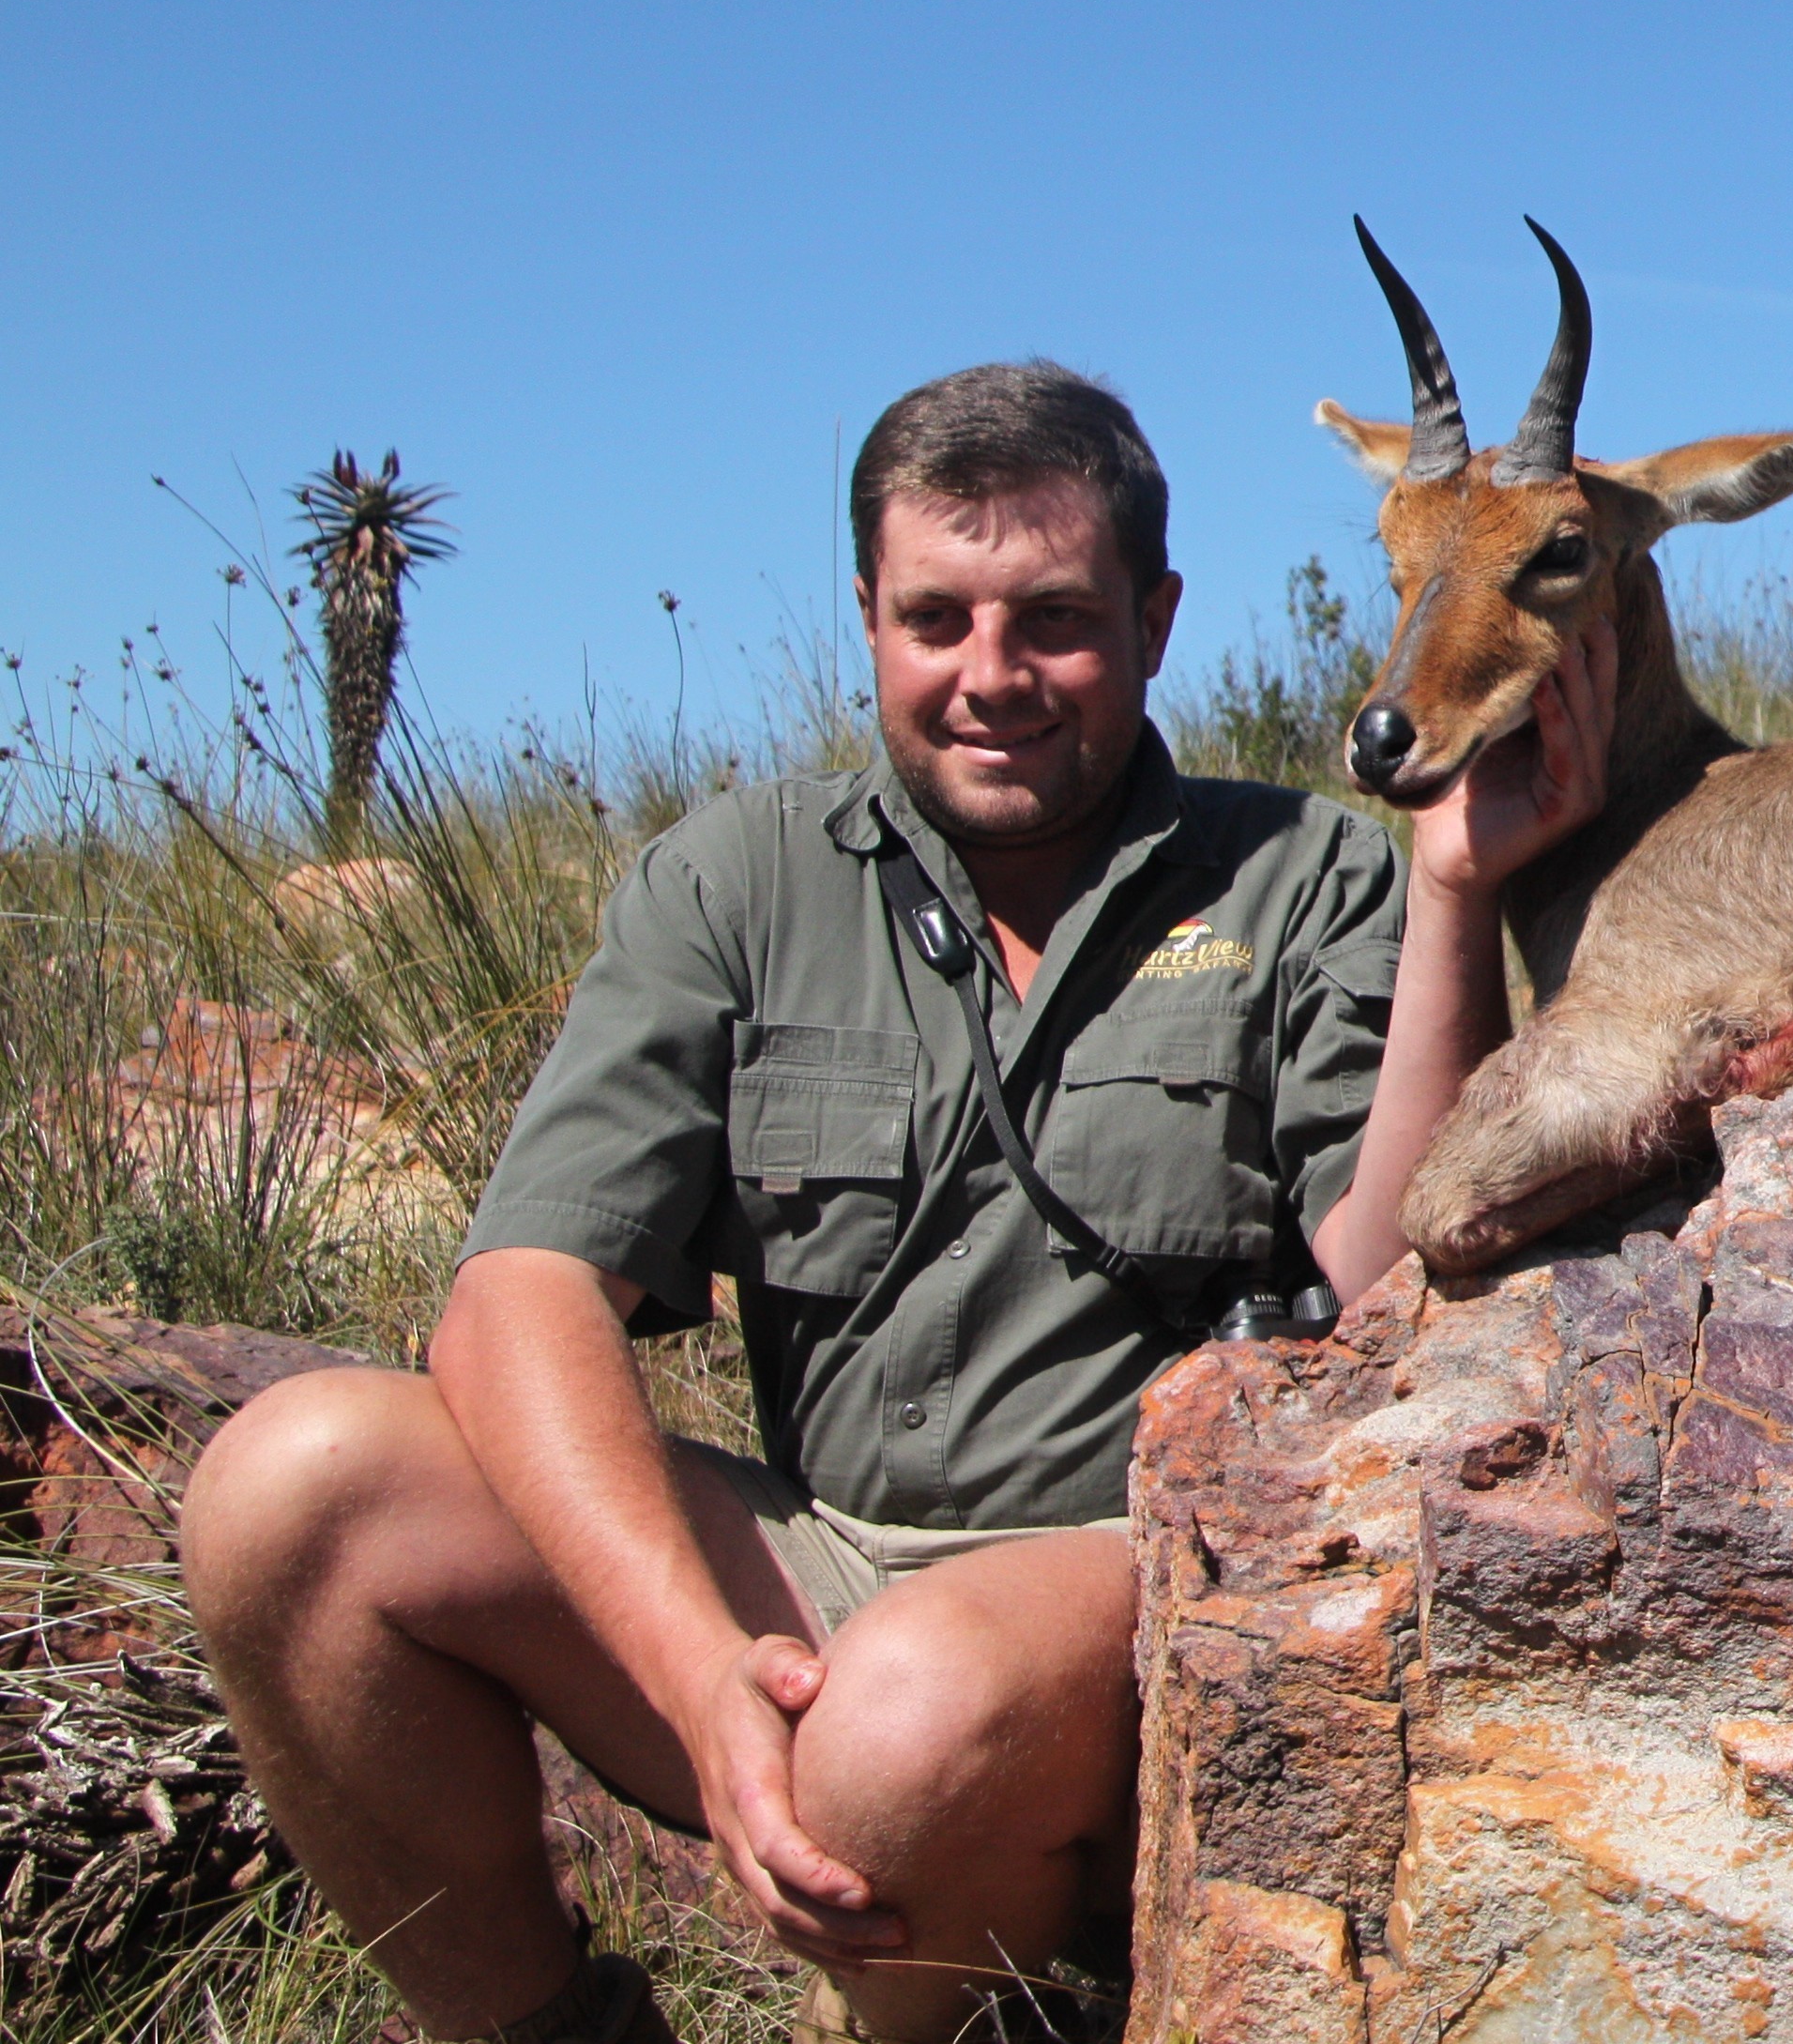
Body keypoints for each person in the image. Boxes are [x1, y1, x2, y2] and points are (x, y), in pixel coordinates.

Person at [179, 364, 1619, 2042]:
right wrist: (698, 1670)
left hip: (1136, 1602)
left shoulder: (1312, 876)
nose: (990, 677)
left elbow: (1384, 1298)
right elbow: (520, 1297)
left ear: (1157, 623)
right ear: (865, 614)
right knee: (291, 1489)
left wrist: (1452, 897)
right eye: (936, 618)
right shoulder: (730, 881)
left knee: (908, 1715)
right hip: (828, 1574)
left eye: (1056, 621)